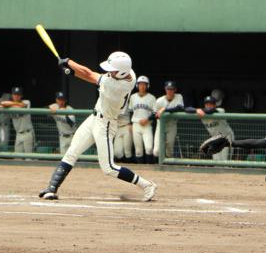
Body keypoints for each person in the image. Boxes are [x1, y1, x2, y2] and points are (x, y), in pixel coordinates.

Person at [38, 52, 157, 202]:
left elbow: (89, 74)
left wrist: (69, 62)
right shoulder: (129, 74)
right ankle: (51, 188)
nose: (109, 72)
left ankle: (147, 185)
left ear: (121, 72)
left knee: (108, 168)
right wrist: (72, 71)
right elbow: (90, 76)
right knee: (71, 152)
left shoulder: (115, 85)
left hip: (106, 124)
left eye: (112, 70)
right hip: (94, 118)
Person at [192, 96, 235, 161]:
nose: (208, 106)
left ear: (215, 105)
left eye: (210, 104)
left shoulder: (220, 110)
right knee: (216, 161)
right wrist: (196, 110)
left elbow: (210, 111)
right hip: (215, 139)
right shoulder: (201, 113)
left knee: (225, 161)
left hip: (226, 138)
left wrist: (200, 110)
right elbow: (187, 109)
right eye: (207, 104)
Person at [129, 75, 157, 164]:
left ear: (147, 86)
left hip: (147, 125)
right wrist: (129, 123)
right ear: (137, 85)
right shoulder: (133, 97)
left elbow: (155, 113)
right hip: (136, 124)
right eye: (140, 84)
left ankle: (149, 168)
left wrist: (147, 119)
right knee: (138, 150)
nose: (142, 86)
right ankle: (140, 169)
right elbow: (130, 111)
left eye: (144, 84)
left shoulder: (152, 98)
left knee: (149, 148)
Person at [153, 81, 184, 159]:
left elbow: (179, 108)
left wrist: (164, 109)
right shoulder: (159, 101)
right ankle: (157, 168)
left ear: (175, 90)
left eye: (172, 89)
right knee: (156, 151)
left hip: (172, 125)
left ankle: (168, 167)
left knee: (169, 149)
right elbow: (155, 115)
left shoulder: (179, 97)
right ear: (165, 89)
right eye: (168, 89)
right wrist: (159, 115)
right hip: (161, 125)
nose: (170, 91)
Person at [0, 87, 35, 153]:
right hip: (18, 134)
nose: (16, 96)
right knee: (17, 157)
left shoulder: (27, 102)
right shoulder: (10, 105)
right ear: (12, 95)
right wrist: (15, 103)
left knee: (29, 158)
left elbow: (23, 105)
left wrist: (10, 105)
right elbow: (2, 103)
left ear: (21, 96)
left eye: (18, 94)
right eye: (15, 94)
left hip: (27, 133)